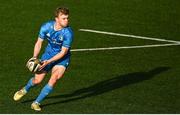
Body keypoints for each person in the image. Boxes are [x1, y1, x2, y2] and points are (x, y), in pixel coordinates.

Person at [13, 7, 74, 111]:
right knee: (37, 80)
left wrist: (49, 62)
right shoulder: (46, 27)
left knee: (54, 79)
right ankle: (24, 89)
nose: (66, 20)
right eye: (63, 18)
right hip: (48, 55)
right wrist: (35, 57)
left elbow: (63, 52)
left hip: (62, 59)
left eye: (67, 18)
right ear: (56, 19)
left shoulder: (68, 33)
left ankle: (36, 103)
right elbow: (39, 43)